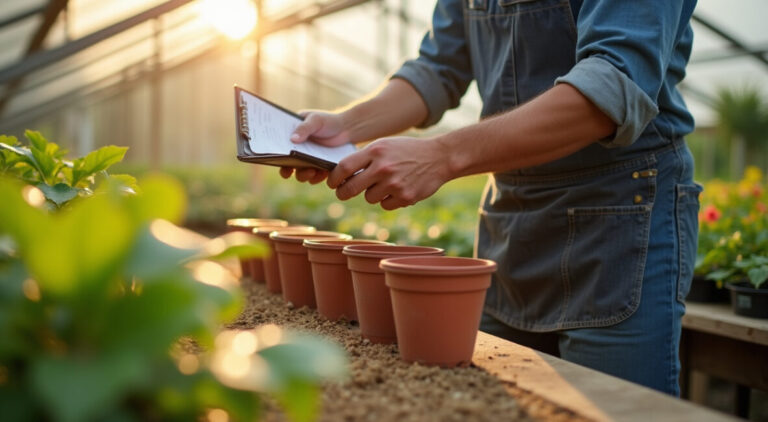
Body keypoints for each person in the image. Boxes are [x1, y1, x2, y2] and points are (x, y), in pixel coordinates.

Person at [280, 0, 700, 396]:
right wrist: (345, 126)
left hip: (619, 221)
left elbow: (613, 85)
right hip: (512, 222)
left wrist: (443, 155)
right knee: (500, 400)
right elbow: (439, 67)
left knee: (611, 405)